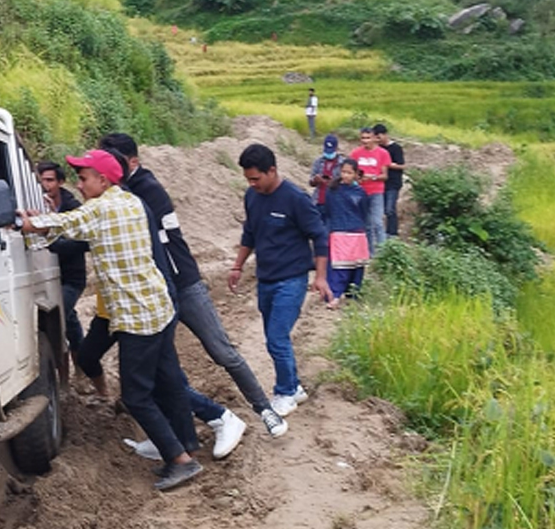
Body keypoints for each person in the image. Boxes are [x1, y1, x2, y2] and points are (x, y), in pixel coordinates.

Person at [21, 149, 201, 491]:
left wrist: (26, 223)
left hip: (136, 317)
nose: (79, 183)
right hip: (157, 307)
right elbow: (68, 226)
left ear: (103, 180)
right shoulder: (129, 202)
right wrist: (43, 222)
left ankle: (181, 461)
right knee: (169, 381)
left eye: (84, 177)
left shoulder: (101, 208)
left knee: (136, 396)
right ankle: (186, 446)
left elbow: (65, 224)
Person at [99, 133, 287, 452]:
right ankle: (181, 437)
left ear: (131, 163)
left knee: (220, 351)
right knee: (162, 370)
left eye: (111, 163)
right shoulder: (120, 194)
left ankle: (263, 410)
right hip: (155, 292)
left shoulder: (144, 190)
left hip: (181, 284)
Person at [229, 143, 332, 418]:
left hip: (292, 279)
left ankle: (285, 392)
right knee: (275, 337)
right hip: (266, 279)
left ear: (272, 170)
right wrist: (237, 266)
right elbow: (249, 233)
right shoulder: (252, 197)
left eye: (256, 178)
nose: (252, 184)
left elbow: (320, 237)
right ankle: (294, 386)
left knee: (276, 338)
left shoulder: (295, 199)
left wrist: (320, 277)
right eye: (248, 179)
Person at [37, 162, 89, 358]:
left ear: (60, 182)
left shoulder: (74, 209)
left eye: (50, 180)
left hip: (70, 277)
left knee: (60, 318)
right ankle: (79, 363)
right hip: (44, 275)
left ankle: (73, 364)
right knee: (68, 318)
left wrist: (53, 224)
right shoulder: (35, 204)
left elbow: (84, 242)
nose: (45, 185)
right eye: (41, 180)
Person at [324, 160, 369, 306]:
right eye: (343, 172)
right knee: (339, 266)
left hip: (356, 232)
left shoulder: (361, 193)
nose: (346, 175)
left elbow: (364, 212)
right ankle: (335, 295)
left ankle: (353, 295)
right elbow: (329, 210)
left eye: (349, 173)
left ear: (356, 174)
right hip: (339, 232)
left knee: (356, 266)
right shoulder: (332, 190)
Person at [348, 127, 392, 255]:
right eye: (363, 138)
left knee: (377, 222)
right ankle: (369, 253)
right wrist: (357, 178)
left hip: (376, 191)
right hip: (360, 192)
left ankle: (384, 253)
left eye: (368, 138)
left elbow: (385, 176)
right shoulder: (356, 153)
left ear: (374, 138)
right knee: (366, 224)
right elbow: (350, 172)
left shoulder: (383, 153)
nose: (365, 141)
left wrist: (372, 177)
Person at [372, 123, 406, 238]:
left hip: (393, 183)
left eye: (379, 137)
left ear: (385, 135)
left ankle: (392, 233)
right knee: (380, 210)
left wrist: (388, 164)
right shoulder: (378, 148)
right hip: (380, 183)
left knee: (389, 209)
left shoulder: (395, 148)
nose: (378, 140)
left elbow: (402, 165)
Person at [309, 133, 344, 221]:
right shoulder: (318, 162)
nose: (328, 153)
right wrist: (316, 180)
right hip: (318, 201)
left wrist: (333, 182)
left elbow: (345, 183)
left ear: (336, 148)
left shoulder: (342, 164)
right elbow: (311, 182)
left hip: (334, 202)